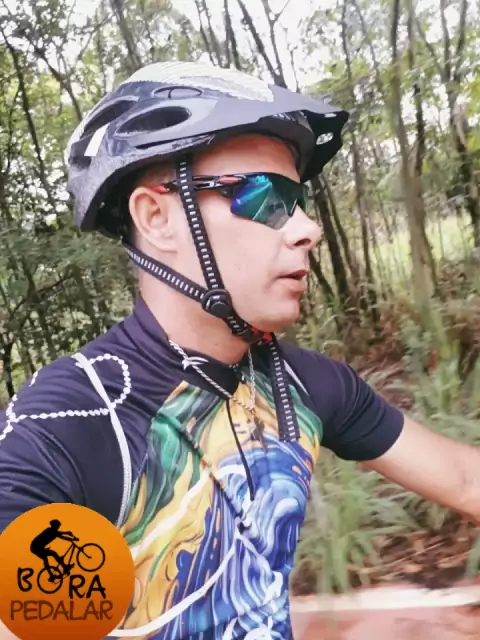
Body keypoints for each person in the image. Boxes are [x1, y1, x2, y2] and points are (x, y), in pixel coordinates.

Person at [0, 60, 479, 640]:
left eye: (298, 201)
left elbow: (464, 480)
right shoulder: (75, 421)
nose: (307, 229)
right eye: (265, 196)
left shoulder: (306, 386)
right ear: (157, 218)